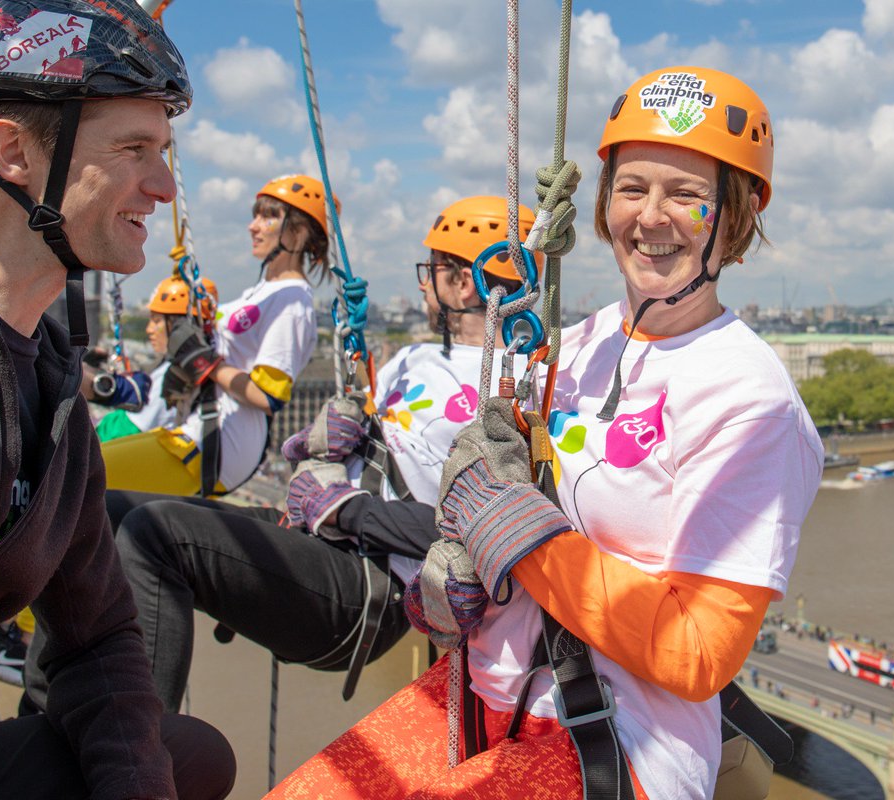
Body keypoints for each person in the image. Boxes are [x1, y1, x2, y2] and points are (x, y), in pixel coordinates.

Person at [268, 66, 822, 800]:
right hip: (482, 693)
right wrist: (457, 574)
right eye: (632, 188)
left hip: (615, 744)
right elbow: (490, 502)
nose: (651, 216)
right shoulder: (575, 345)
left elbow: (698, 653)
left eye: (686, 195)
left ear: (739, 214)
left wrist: (525, 544)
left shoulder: (750, 398)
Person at [103, 197, 543, 713]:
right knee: (104, 510)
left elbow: (479, 539)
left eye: (432, 269)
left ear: (464, 282)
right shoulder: (409, 358)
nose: (424, 283)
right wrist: (335, 442)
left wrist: (343, 507)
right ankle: (57, 710)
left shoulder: (512, 393)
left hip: (368, 583)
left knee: (158, 536)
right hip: (317, 537)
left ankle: (138, 750)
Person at [0, 1, 235, 798]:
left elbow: (97, 634)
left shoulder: (47, 378)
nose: (162, 187)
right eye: (133, 150)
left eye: (165, 152)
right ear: (13, 151)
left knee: (184, 758)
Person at [99, 175, 328, 496]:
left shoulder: (292, 302)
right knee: (89, 465)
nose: (254, 226)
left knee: (85, 476)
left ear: (300, 232)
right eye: (256, 215)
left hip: (221, 439)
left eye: (269, 216)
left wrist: (207, 363)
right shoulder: (262, 293)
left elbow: (268, 395)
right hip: (204, 431)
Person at [82, 274, 219, 443]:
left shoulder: (175, 375)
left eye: (156, 321)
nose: (149, 330)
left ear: (180, 325)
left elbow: (124, 432)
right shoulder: (197, 364)